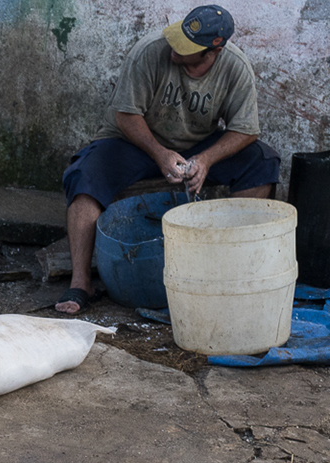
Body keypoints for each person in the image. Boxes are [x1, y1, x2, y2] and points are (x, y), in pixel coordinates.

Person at [54, 4, 279, 315]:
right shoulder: (149, 52)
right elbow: (126, 116)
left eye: (186, 48)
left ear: (211, 54)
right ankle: (81, 284)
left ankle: (230, 272)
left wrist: (206, 159)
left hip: (197, 145)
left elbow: (246, 130)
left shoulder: (235, 68)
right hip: (137, 142)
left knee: (262, 162)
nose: (175, 48)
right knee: (85, 175)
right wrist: (160, 154)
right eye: (178, 38)